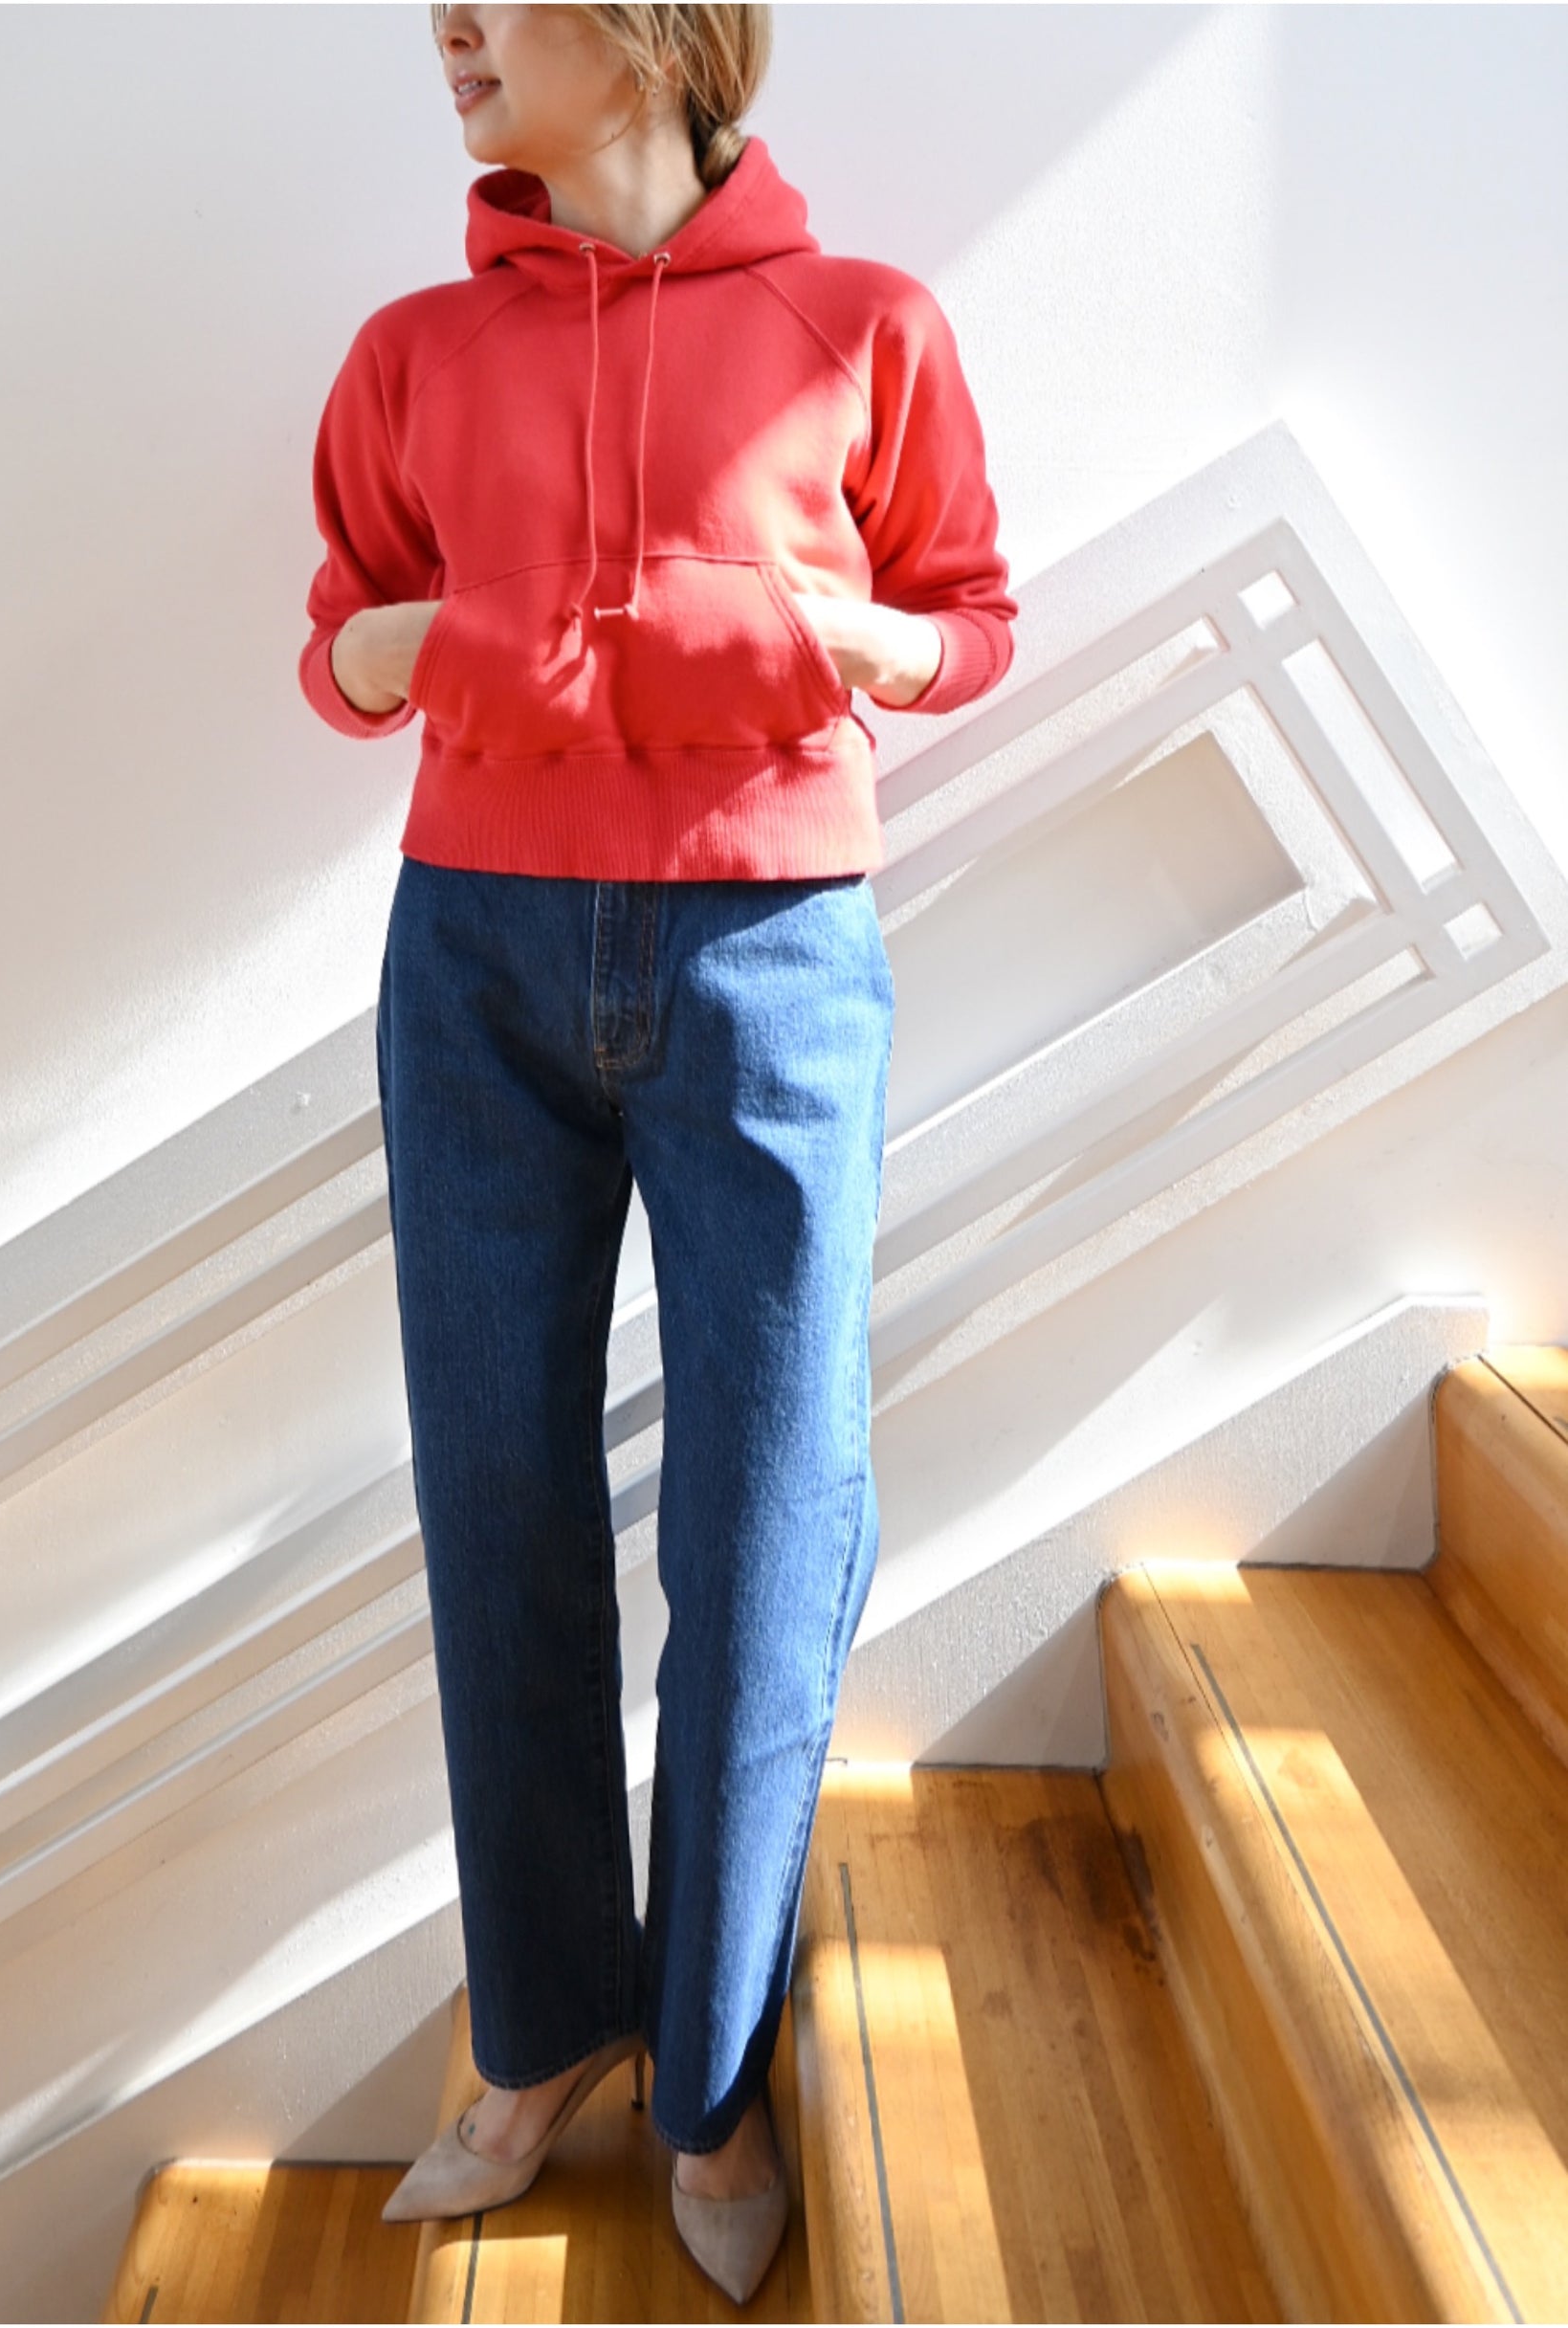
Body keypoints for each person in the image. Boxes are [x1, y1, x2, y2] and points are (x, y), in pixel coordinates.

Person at [298, 3, 1016, 2302]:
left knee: (766, 1515)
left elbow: (971, 621)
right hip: (473, 955)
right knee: (496, 1497)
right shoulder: (413, 353)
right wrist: (416, 642)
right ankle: (543, 2029)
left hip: (771, 957)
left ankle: (706, 2072)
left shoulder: (863, 326)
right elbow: (336, 643)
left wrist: (849, 639)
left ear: (644, 28)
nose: (444, 29)